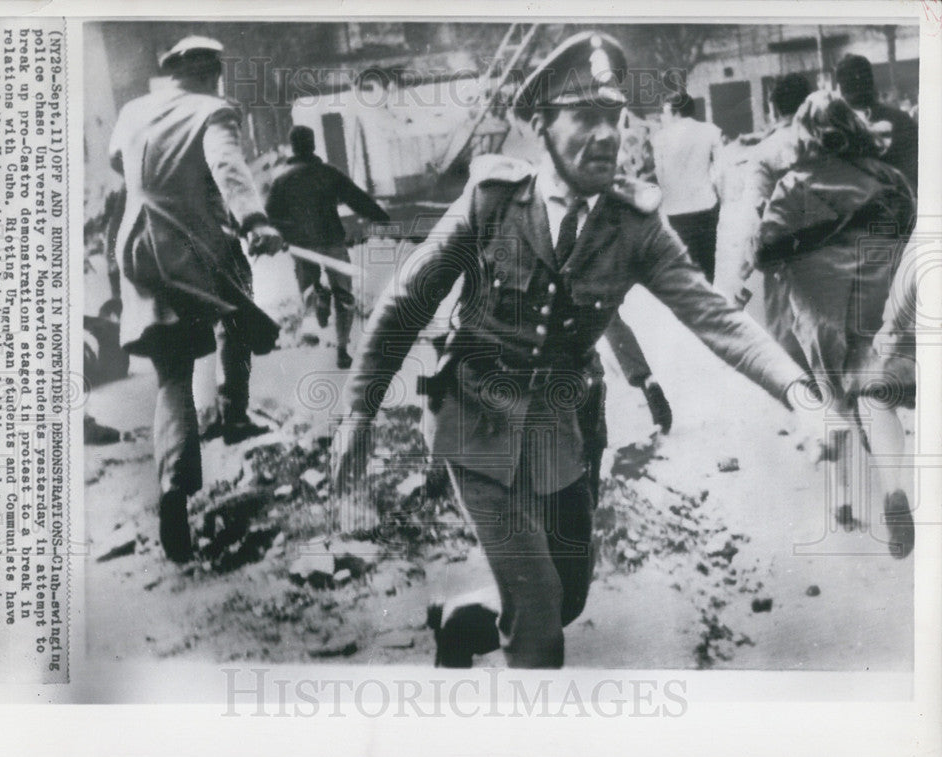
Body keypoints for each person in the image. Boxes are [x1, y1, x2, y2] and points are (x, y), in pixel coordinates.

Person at [334, 31, 823, 669]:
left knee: (565, 600)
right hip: (477, 423)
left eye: (614, 119)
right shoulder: (491, 202)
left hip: (564, 428)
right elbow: (408, 302)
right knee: (539, 623)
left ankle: (458, 623)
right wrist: (358, 416)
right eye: (584, 117)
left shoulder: (635, 226)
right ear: (541, 128)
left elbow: (714, 316)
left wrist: (801, 393)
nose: (605, 135)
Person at [109, 36, 284, 562]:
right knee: (239, 300)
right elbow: (228, 168)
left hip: (135, 246)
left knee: (172, 375)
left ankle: (173, 490)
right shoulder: (214, 110)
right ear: (212, 74)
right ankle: (235, 410)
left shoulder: (133, 110)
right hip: (187, 247)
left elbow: (122, 162)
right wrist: (255, 221)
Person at [756, 90, 917, 558]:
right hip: (880, 299)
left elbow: (765, 253)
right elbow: (913, 235)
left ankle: (843, 502)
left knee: (832, 400)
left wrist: (819, 237)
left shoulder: (794, 184)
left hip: (821, 309)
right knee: (875, 394)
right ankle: (893, 492)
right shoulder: (889, 178)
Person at [265, 125, 390, 369]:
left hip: (302, 246)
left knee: (307, 292)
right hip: (332, 239)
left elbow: (269, 216)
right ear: (313, 145)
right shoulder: (328, 173)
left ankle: (317, 294)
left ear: (293, 147)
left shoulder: (281, 179)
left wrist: (282, 235)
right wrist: (380, 216)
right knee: (344, 297)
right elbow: (357, 198)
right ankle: (342, 349)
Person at [734, 73, 814, 369]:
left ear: (774, 110)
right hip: (839, 258)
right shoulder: (830, 139)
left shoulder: (764, 154)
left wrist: (741, 276)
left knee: (790, 345)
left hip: (789, 264)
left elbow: (758, 219)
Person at [651, 91, 724, 282]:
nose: (662, 117)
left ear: (674, 112)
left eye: (664, 112)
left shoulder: (660, 138)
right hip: (706, 206)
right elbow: (721, 171)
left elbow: (661, 176)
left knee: (685, 266)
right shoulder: (710, 130)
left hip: (676, 211)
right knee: (708, 263)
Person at [834, 54, 918, 191]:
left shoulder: (832, 129)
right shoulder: (902, 119)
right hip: (904, 202)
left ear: (840, 89)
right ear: (872, 83)